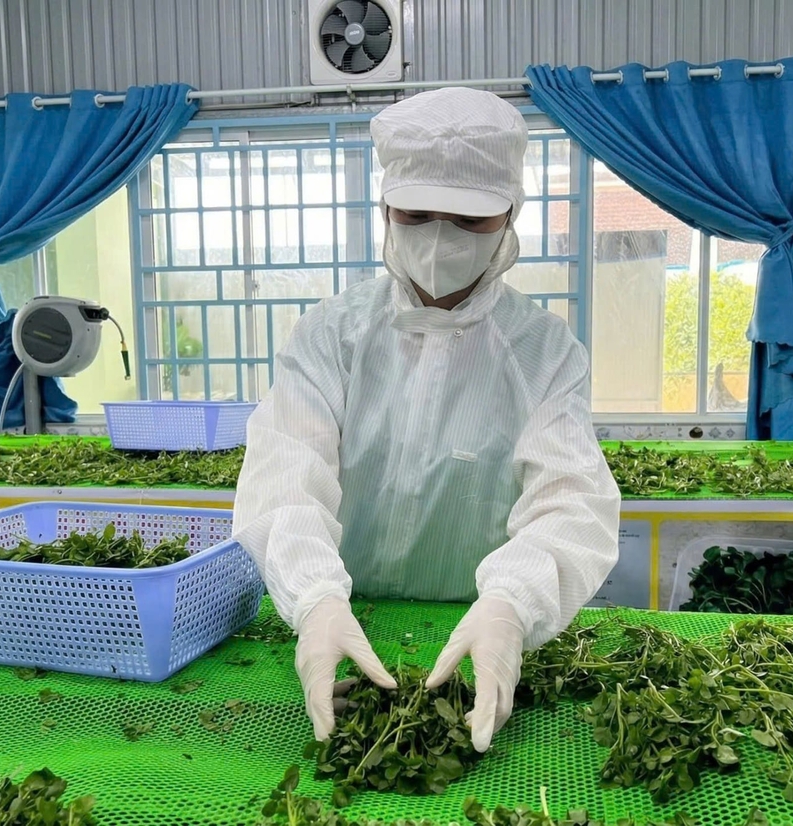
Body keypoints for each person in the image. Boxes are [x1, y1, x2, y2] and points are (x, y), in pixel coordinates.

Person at [233, 87, 621, 753]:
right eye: (417, 213)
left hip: (470, 635)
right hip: (344, 625)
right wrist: (316, 601)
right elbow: (287, 474)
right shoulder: (331, 335)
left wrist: (511, 606)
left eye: (468, 220)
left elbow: (571, 500)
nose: (440, 238)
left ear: (509, 217)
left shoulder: (544, 352)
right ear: (384, 207)